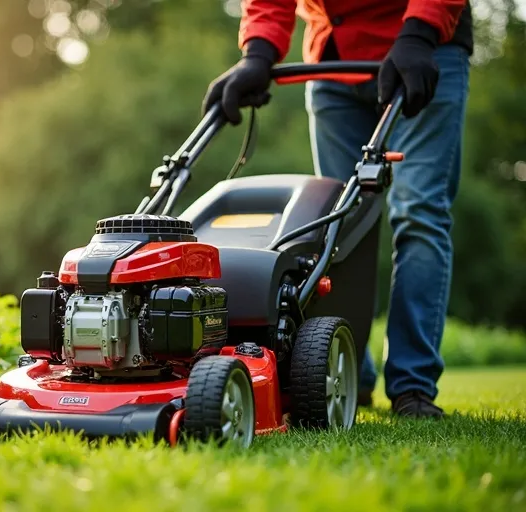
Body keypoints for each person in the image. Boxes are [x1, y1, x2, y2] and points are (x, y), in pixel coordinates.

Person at [202, 0, 473, 418]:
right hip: (334, 58)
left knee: (418, 213)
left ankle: (412, 386)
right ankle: (345, 370)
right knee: (336, 227)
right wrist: (257, 53)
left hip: (425, 48)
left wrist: (420, 32)